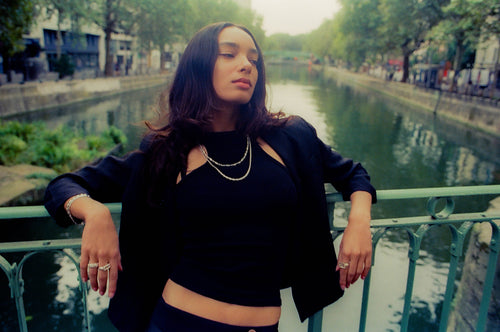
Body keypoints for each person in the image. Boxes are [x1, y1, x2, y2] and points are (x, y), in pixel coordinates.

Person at [44, 22, 376, 332]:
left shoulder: (291, 136)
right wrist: (95, 213)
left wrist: (359, 222)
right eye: (229, 54)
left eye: (253, 59)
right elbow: (63, 185)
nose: (246, 64)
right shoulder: (166, 151)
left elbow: (353, 174)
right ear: (199, 66)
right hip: (177, 322)